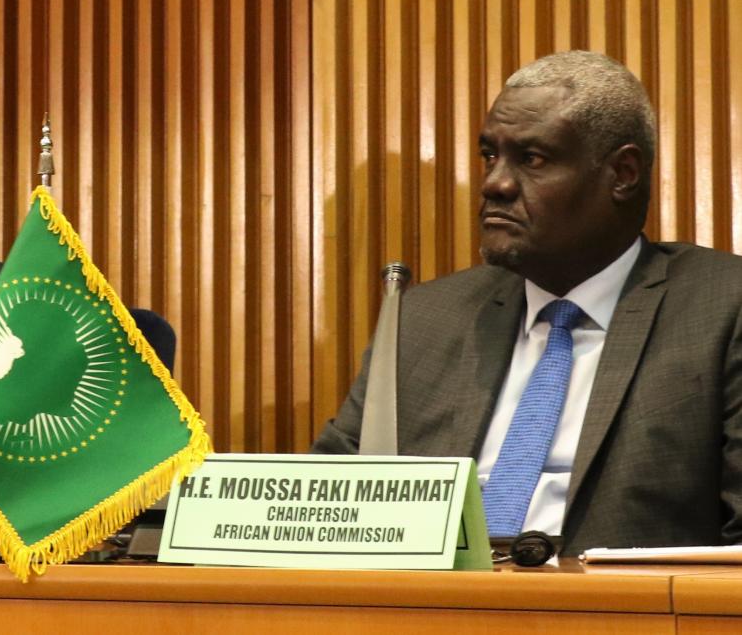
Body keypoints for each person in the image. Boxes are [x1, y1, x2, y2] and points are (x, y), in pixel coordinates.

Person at [313, 50, 742, 554]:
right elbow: (329, 506)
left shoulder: (721, 308)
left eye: (532, 159)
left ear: (623, 174)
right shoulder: (424, 321)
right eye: (490, 156)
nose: (494, 183)